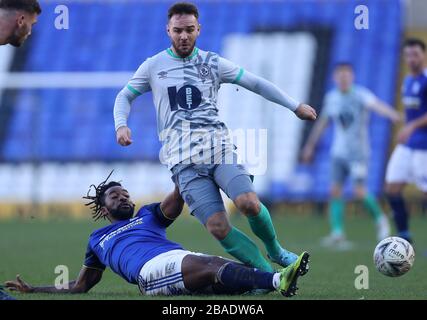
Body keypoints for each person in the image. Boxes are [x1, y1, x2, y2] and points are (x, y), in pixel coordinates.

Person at [113, 2, 315, 273]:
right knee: (218, 227)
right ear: (167, 31)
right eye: (177, 31)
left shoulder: (213, 62)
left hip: (218, 150)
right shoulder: (153, 66)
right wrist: (121, 125)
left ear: (199, 29)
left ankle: (276, 250)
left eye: (189, 30)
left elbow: (254, 82)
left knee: (248, 203)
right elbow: (125, 95)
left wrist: (295, 106)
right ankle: (266, 274)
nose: (183, 36)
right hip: (183, 163)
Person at [4, 173, 309, 297]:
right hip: (150, 274)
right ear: (103, 208)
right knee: (211, 266)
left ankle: (265, 283)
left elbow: (176, 198)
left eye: (125, 194)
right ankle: (278, 279)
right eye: (115, 197)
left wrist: (185, 174)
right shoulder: (97, 239)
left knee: (217, 275)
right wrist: (35, 290)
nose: (123, 198)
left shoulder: (147, 215)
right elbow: (81, 286)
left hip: (178, 258)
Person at [302, 63, 400, 248]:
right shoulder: (332, 97)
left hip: (358, 153)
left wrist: (392, 114)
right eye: (340, 76)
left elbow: (377, 105)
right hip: (338, 153)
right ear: (335, 78)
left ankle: (381, 219)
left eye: (347, 76)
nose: (343, 79)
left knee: (359, 192)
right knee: (335, 191)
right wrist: (310, 146)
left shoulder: (361, 94)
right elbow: (323, 122)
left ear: (352, 77)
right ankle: (337, 233)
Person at [385, 38, 427, 243]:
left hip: (424, 147)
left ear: (424, 55)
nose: (411, 59)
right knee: (392, 188)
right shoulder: (408, 81)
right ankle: (405, 237)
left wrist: (411, 126)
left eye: (415, 54)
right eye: (408, 55)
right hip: (407, 145)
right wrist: (405, 126)